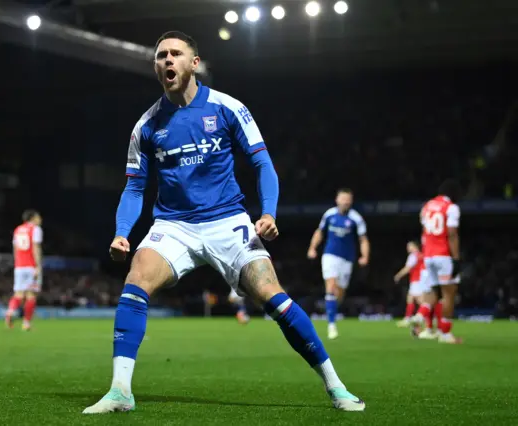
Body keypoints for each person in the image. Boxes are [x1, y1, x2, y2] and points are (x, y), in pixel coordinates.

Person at [83, 31, 365, 415]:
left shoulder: (228, 107)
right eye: (161, 55)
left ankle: (336, 387)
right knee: (136, 280)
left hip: (227, 220)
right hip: (174, 225)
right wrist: (121, 234)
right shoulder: (146, 126)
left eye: (175, 54)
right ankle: (120, 392)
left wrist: (268, 212)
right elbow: (134, 188)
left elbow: (262, 163)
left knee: (272, 295)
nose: (167, 60)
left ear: (193, 63)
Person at [307, 189, 370, 339]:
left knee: (340, 293)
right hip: (330, 255)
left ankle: (332, 310)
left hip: (347, 259)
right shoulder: (329, 215)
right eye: (343, 199)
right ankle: (331, 325)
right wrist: (312, 248)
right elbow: (319, 232)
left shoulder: (356, 218)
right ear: (337, 200)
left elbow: (363, 239)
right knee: (331, 286)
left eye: (348, 199)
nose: (345, 202)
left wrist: (365, 256)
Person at [413, 180, 462, 344]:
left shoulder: (427, 206)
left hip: (428, 255)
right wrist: (456, 258)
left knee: (433, 292)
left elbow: (425, 230)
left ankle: (421, 316)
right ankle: (445, 334)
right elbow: (452, 233)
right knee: (449, 293)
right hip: (443, 255)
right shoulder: (451, 207)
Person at [6, 209, 43, 331]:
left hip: (19, 266)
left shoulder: (17, 230)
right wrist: (37, 265)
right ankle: (26, 323)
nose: (40, 219)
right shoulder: (35, 229)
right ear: (32, 218)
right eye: (38, 217)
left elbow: (15, 249)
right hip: (30, 265)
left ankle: (10, 311)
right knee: (31, 295)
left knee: (18, 294)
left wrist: (17, 264)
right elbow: (35, 247)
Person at [393, 241, 427, 327]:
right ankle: (409, 318)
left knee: (421, 301)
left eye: (409, 246)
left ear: (415, 246)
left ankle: (425, 317)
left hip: (416, 280)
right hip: (422, 280)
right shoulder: (422, 255)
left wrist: (398, 275)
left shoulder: (413, 256)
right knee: (411, 298)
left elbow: (407, 268)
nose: (408, 248)